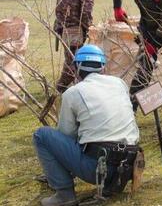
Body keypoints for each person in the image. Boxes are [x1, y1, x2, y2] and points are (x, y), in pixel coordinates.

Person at [33, 45, 141, 206]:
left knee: (42, 135)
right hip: (128, 166)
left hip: (99, 168)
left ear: (76, 68)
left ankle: (64, 194)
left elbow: (66, 134)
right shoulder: (119, 83)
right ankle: (112, 183)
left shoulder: (73, 93)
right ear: (103, 68)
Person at [54, 0, 94, 93]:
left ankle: (78, 85)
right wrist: (89, 28)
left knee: (70, 58)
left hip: (61, 27)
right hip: (76, 30)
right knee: (74, 61)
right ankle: (61, 88)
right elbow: (85, 14)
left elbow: (59, 8)